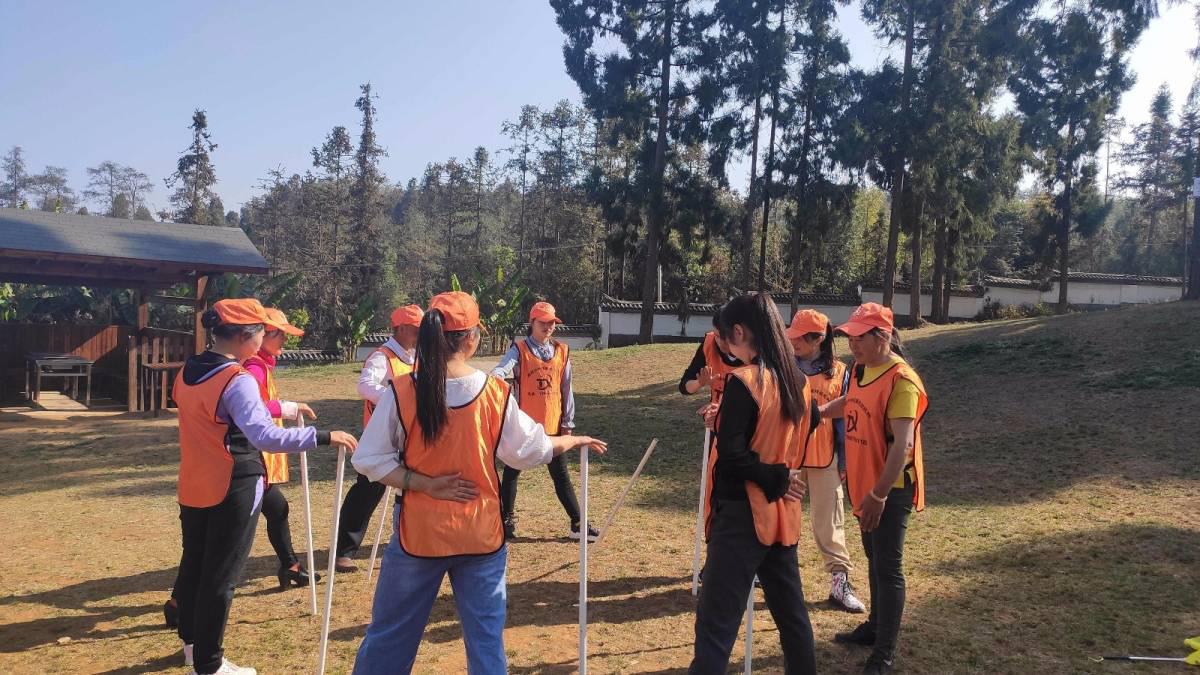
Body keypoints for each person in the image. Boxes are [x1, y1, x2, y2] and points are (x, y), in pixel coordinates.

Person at [350, 292, 606, 674]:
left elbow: (368, 459)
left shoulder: (401, 391)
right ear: (471, 338)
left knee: (389, 639)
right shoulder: (494, 393)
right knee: (486, 643)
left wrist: (422, 483)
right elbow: (530, 450)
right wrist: (571, 440)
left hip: (419, 534)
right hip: (481, 534)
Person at [172, 298, 357, 675]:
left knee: (194, 567)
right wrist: (322, 436)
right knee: (221, 576)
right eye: (261, 332)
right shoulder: (236, 379)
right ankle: (210, 664)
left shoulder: (188, 369)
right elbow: (266, 436)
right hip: (233, 484)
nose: (265, 340)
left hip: (193, 482)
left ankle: (192, 647)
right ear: (245, 335)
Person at [690, 293, 819, 675]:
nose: (723, 346)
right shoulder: (800, 382)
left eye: (724, 338)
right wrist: (781, 473)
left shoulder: (744, 381)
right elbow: (805, 426)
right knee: (793, 620)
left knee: (715, 627)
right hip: (782, 516)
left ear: (739, 332)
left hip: (742, 517)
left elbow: (732, 455)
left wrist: (772, 475)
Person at [820, 303, 928, 675]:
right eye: (849, 336)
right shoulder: (860, 369)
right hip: (865, 484)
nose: (852, 343)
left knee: (888, 567)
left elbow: (903, 446)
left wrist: (879, 495)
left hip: (889, 490)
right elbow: (851, 402)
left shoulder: (902, 380)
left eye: (859, 337)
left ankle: (883, 654)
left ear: (882, 336)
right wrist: (819, 413)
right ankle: (874, 627)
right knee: (873, 559)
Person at [492, 301, 596, 542]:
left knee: (561, 475)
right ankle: (506, 520)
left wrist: (568, 423)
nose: (548, 327)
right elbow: (499, 372)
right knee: (511, 472)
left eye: (552, 323)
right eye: (543, 322)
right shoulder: (519, 350)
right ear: (532, 323)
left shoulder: (562, 351)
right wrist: (498, 383)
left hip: (553, 426)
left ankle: (578, 523)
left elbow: (566, 388)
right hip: (524, 428)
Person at [786, 309, 865, 613]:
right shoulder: (784, 367)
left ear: (818, 338)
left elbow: (845, 420)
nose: (793, 342)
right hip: (787, 457)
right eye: (792, 336)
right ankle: (765, 575)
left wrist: (844, 460)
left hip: (825, 457)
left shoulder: (841, 372)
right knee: (779, 519)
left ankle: (839, 583)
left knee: (830, 523)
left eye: (800, 337)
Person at [334, 304, 422, 572]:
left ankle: (411, 541)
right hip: (383, 435)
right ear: (402, 328)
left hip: (411, 433)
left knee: (412, 486)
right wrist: (396, 399)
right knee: (368, 490)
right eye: (416, 329)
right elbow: (365, 386)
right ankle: (343, 551)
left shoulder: (416, 356)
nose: (420, 334)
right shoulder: (382, 356)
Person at [244, 307, 321, 588]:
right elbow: (254, 408)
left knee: (277, 509)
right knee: (239, 525)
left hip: (255, 455)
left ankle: (290, 566)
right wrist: (288, 408)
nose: (285, 341)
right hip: (250, 456)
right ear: (264, 334)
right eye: (281, 335)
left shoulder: (260, 365)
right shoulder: (254, 367)